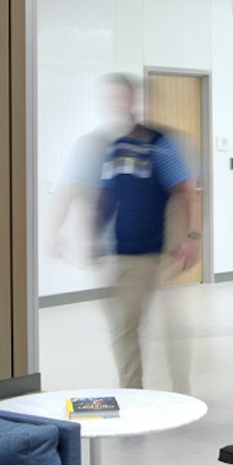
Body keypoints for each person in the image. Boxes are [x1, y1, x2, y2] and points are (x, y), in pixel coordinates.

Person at [64, 73, 199, 390]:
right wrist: (90, 236)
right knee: (124, 328)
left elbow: (185, 191)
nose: (115, 105)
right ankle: (135, 392)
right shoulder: (105, 146)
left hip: (154, 251)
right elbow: (102, 195)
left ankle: (175, 390)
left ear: (133, 101)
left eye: (120, 98)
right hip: (118, 253)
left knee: (154, 325)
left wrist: (190, 237)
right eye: (109, 99)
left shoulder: (159, 143)